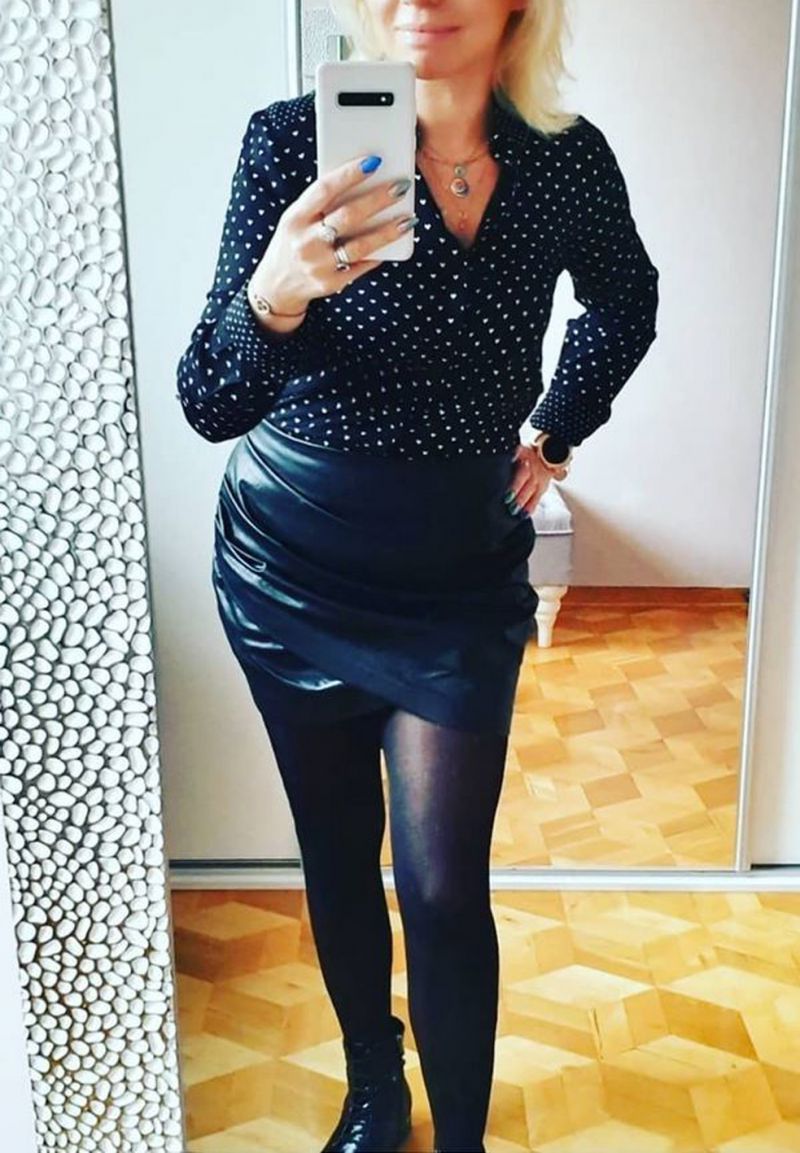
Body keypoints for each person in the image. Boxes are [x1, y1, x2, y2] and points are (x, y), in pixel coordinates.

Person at [175, 1, 659, 1148]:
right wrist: (274, 292)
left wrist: (557, 425)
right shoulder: (291, 144)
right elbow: (209, 399)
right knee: (338, 854)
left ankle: (461, 1140)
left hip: (456, 578)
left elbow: (624, 299)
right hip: (291, 566)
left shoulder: (562, 160)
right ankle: (373, 1089)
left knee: (443, 889)